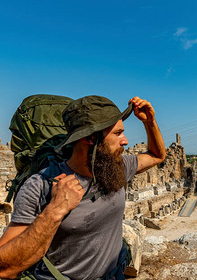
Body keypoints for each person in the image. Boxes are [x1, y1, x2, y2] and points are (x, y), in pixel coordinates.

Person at [0, 95, 166, 279]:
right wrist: (55, 211)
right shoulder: (40, 185)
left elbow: (156, 155)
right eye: (118, 133)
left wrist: (150, 122)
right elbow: (5, 267)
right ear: (90, 138)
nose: (125, 140)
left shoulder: (117, 167)